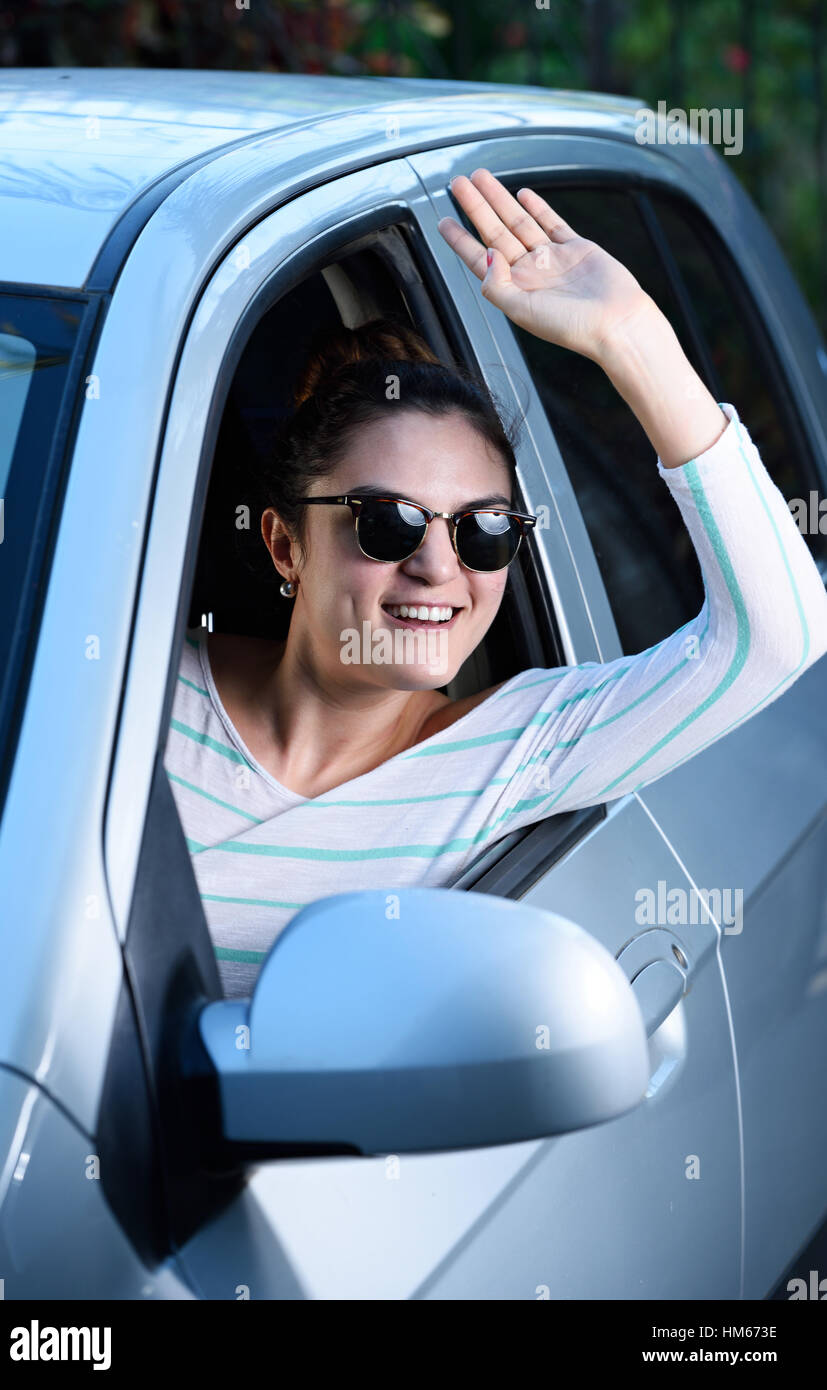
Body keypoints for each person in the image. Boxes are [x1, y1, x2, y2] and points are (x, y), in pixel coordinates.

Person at [165, 170, 827, 999]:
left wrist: (632, 340)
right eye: (388, 523)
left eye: (481, 531)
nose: (437, 568)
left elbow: (776, 638)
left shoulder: (514, 753)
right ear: (284, 542)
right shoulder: (138, 693)